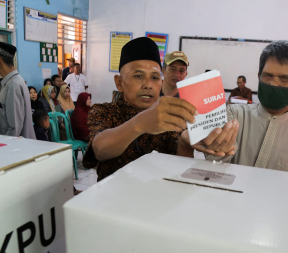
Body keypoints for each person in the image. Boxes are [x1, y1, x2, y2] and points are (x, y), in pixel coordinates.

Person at [205, 40, 288, 221]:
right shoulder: (232, 116)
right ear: (258, 76)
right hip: (223, 216)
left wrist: (285, 212)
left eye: (285, 78)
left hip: (275, 227)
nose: (274, 84)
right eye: (268, 76)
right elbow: (211, 168)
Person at [83, 37, 238, 182]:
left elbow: (181, 171)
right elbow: (99, 150)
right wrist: (141, 122)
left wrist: (185, 142)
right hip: (111, 201)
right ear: (119, 83)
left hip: (159, 201)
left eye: (155, 77)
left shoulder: (170, 118)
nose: (148, 84)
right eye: (138, 76)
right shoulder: (104, 111)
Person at [0, 40, 35, 139]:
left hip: (16, 148)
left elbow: (14, 128)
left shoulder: (13, 85)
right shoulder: (11, 82)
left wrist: (5, 147)